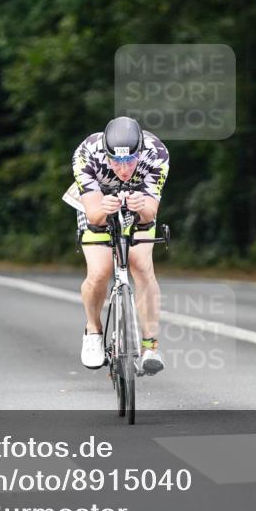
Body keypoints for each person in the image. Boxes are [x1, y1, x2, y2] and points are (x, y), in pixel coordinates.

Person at [72, 117, 169, 374]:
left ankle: (150, 346)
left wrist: (141, 207)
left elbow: (149, 213)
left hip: (138, 203)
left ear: (141, 152)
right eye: (116, 161)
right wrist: (103, 209)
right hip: (99, 203)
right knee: (100, 271)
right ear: (106, 153)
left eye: (130, 161)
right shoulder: (87, 152)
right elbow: (92, 215)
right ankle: (93, 330)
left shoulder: (157, 152)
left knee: (141, 266)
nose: (123, 169)